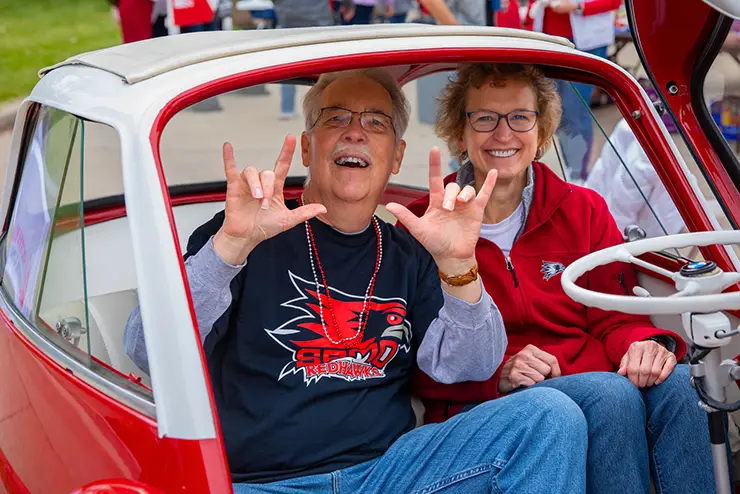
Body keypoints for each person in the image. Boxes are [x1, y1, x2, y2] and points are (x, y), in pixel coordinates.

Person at [123, 68, 589, 492]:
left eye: (376, 123)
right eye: (336, 118)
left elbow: (471, 365)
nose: (355, 132)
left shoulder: (409, 251)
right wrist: (228, 248)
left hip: (389, 475)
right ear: (307, 146)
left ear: (395, 156)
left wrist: (457, 264)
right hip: (263, 482)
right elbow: (148, 350)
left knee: (551, 415)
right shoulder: (241, 235)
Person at [397, 62, 716, 494]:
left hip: (594, 375)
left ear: (541, 131)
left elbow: (614, 315)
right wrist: (500, 374)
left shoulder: (582, 209)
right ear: (460, 132)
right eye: (485, 118)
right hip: (489, 400)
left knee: (681, 385)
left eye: (520, 117)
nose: (504, 134)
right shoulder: (421, 224)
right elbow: (409, 358)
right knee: (611, 396)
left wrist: (645, 345)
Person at [525, 0, 621, 182]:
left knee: (573, 112)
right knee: (541, 111)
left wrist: (578, 6)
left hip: (583, 42)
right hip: (544, 40)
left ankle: (577, 178)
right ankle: (541, 177)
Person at [584, 116, 686, 238]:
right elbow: (624, 200)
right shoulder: (643, 152)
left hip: (662, 217)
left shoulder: (627, 127)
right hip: (661, 225)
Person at [274, 0, 352, 119]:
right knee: (326, 68)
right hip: (319, 19)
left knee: (288, 66)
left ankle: (287, 108)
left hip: (289, 17)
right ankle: (329, 107)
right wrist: (347, 5)